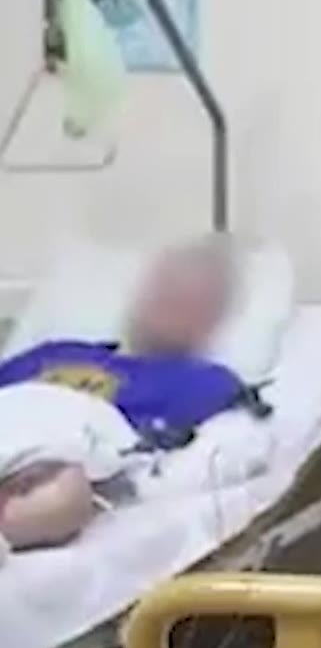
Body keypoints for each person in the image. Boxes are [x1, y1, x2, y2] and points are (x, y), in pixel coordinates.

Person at [0, 234, 250, 555]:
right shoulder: (56, 351)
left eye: (193, 300)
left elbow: (203, 451)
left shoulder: (202, 382)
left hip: (47, 463)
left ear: (212, 320)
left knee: (69, 495)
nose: (171, 306)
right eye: (167, 291)